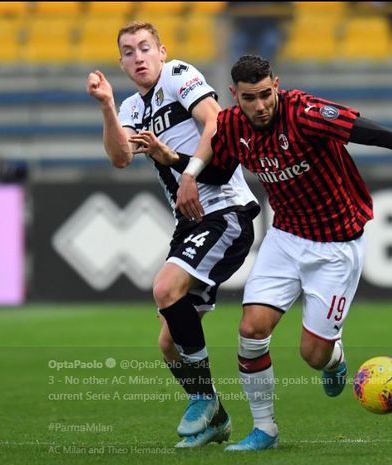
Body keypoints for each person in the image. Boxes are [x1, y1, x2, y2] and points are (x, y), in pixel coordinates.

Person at [150, 55, 392, 451]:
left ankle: (333, 358)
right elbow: (218, 174)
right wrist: (174, 160)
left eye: (265, 95)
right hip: (285, 237)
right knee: (251, 332)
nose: (260, 106)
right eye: (249, 98)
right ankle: (265, 431)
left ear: (277, 85)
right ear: (233, 96)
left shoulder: (306, 113)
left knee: (312, 354)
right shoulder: (231, 126)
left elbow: (373, 133)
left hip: (337, 245)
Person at [86, 22, 260, 448]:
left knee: (164, 288)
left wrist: (189, 172)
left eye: (145, 48)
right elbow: (120, 157)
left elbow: (217, 124)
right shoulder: (129, 108)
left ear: (162, 52)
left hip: (224, 209)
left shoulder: (179, 75)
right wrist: (108, 105)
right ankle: (216, 416)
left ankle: (202, 397)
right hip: (191, 221)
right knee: (169, 345)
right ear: (122, 63)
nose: (138, 57)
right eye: (128, 52)